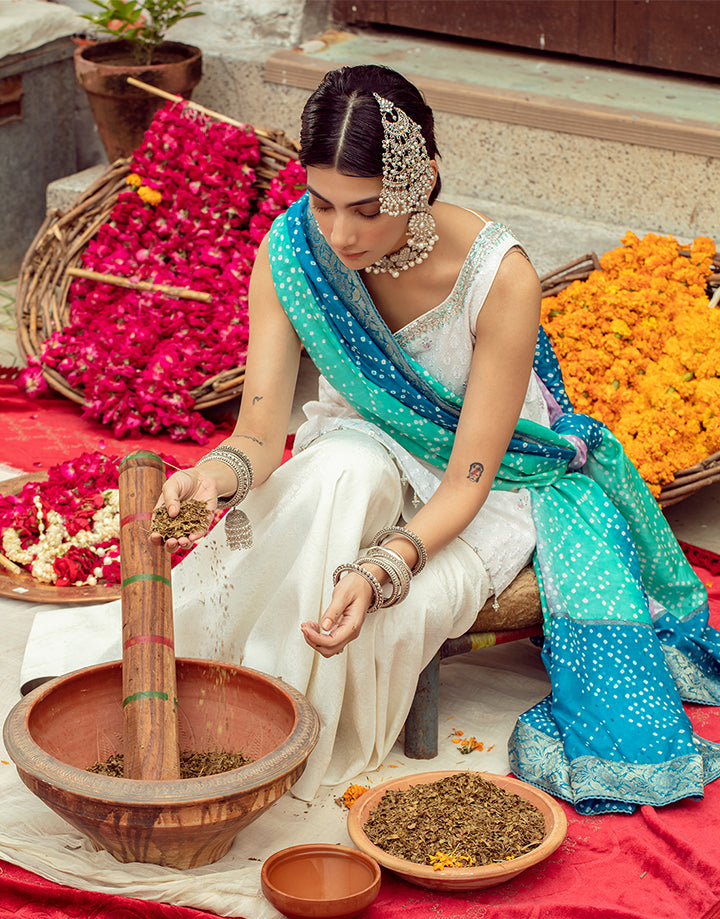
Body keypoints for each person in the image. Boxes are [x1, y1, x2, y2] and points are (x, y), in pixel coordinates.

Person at [23, 64, 720, 812]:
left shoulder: (498, 278)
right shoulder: (295, 253)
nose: (341, 234)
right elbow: (258, 434)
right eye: (322, 202)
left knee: (394, 617)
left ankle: (279, 743)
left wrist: (384, 568)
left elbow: (470, 477)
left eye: (367, 209)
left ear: (425, 180)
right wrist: (211, 480)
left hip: (486, 490)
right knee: (342, 471)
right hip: (356, 457)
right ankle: (183, 699)